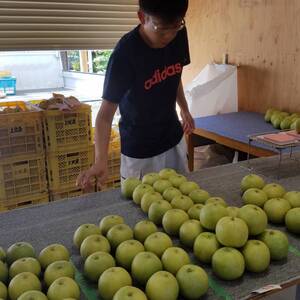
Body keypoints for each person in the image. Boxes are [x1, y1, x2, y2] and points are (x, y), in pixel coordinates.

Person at [77, 0, 195, 189]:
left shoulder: (178, 32)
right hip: (141, 151)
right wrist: (100, 161)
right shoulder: (125, 55)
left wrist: (184, 109)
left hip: (173, 140)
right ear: (142, 17)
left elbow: (174, 72)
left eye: (176, 26)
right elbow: (105, 116)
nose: (170, 36)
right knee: (141, 211)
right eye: (162, 29)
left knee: (182, 203)